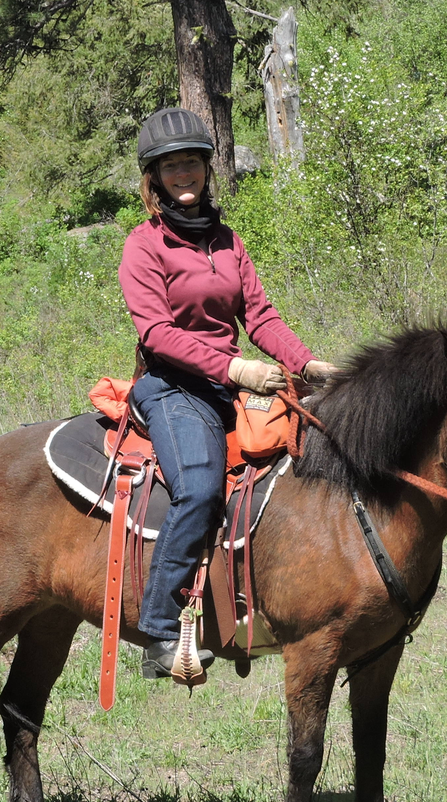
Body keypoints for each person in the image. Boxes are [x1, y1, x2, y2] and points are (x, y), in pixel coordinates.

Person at [118, 107, 334, 678]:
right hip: (171, 387)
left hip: (223, 386)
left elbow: (260, 315)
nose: (183, 174)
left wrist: (306, 362)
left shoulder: (227, 241)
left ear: (206, 170)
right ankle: (159, 632)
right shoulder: (143, 246)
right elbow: (157, 335)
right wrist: (236, 370)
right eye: (171, 166)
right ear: (155, 178)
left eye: (192, 162)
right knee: (199, 488)